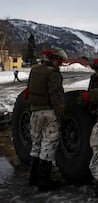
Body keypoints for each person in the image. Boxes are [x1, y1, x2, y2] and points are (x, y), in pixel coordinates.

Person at [27, 48, 67, 191]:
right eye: (60, 61)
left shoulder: (34, 70)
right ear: (54, 59)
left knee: (36, 145)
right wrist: (61, 115)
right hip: (49, 113)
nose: (60, 64)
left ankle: (32, 178)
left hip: (34, 113)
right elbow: (57, 96)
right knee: (48, 146)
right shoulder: (53, 73)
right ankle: (44, 181)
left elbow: (28, 89)